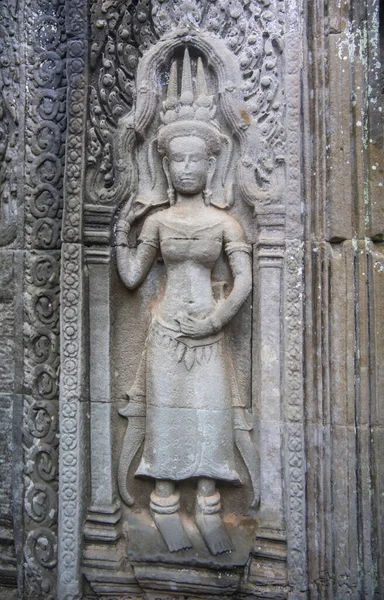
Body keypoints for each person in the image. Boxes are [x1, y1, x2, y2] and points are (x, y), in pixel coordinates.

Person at [116, 49, 252, 555]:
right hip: (168, 331)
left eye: (198, 158)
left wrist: (215, 319)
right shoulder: (157, 222)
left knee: (210, 414)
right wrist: (118, 232)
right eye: (180, 159)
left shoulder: (227, 223)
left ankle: (211, 506)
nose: (189, 167)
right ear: (166, 165)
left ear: (212, 163)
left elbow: (243, 282)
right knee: (168, 419)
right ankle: (166, 504)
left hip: (208, 332)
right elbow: (131, 277)